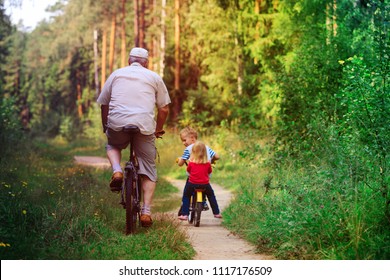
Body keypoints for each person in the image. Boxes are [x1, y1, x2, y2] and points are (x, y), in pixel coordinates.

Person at [97, 47, 170, 227]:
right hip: (144, 126)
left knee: (113, 145)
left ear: (129, 61)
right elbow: (164, 109)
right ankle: (146, 212)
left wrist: (106, 125)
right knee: (149, 169)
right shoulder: (154, 77)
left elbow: (104, 104)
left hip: (117, 123)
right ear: (146, 63)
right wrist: (158, 130)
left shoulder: (116, 74)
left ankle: (117, 170)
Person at [176, 127, 220, 213]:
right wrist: (212, 160)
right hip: (205, 174)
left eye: (184, 140)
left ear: (192, 138)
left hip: (194, 177)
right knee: (205, 185)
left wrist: (179, 160)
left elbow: (181, 163)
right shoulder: (205, 147)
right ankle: (203, 202)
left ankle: (186, 206)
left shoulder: (189, 149)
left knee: (188, 190)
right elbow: (217, 156)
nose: (183, 143)